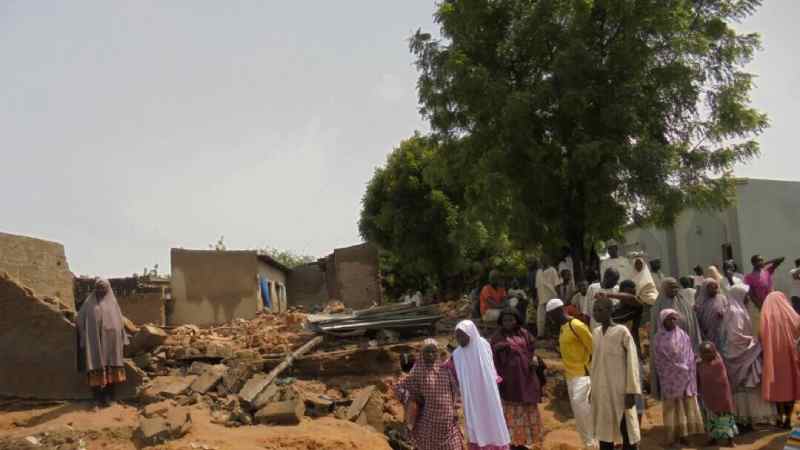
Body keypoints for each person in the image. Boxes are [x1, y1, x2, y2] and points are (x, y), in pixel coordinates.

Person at [719, 284, 777, 432]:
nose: (748, 297)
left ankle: (747, 418)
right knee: (748, 384)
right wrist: (754, 342)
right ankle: (752, 419)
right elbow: (735, 337)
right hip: (741, 353)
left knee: (745, 386)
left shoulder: (735, 309)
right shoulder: (735, 311)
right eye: (746, 294)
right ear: (739, 295)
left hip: (741, 353)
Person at [449, 320, 511, 450]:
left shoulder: (482, 345)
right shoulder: (457, 354)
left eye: (462, 335)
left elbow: (491, 367)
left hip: (487, 392)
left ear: (471, 333)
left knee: (492, 419)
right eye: (457, 336)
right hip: (470, 397)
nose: (459, 339)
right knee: (475, 421)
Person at [590, 297, 642, 450]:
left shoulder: (621, 331)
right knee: (604, 431)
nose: (596, 313)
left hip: (620, 390)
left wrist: (631, 392)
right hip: (601, 389)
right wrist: (592, 388)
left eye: (600, 310)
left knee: (627, 431)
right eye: (594, 310)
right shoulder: (596, 333)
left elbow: (632, 362)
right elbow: (594, 363)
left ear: (610, 310)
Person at [394, 339, 464, 450]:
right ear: (422, 354)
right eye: (427, 352)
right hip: (429, 421)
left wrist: (456, 408)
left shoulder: (445, 369)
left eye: (433, 351)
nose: (431, 354)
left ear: (437, 353)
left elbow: (456, 390)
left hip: (449, 420)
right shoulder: (417, 372)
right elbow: (398, 387)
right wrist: (411, 399)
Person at [491, 309, 544, 450]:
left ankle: (522, 443)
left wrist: (534, 358)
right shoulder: (497, 336)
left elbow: (532, 349)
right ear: (501, 322)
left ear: (517, 320)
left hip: (526, 379)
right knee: (510, 412)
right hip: (508, 382)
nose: (508, 323)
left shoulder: (524, 333)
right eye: (505, 320)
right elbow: (493, 355)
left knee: (526, 410)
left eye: (511, 319)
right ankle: (511, 443)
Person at [547, 299, 595, 449]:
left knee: (584, 414)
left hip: (583, 375)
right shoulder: (562, 328)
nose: (550, 319)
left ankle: (593, 445)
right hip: (571, 377)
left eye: (550, 315)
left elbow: (594, 348)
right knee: (579, 416)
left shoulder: (576, 325)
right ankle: (588, 445)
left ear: (557, 312)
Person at [652, 309, 705, 446]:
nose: (673, 321)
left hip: (686, 376)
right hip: (670, 380)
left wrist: (687, 368)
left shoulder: (683, 335)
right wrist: (676, 369)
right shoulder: (658, 338)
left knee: (685, 406)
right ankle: (673, 437)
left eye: (674, 318)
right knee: (672, 408)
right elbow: (659, 361)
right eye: (669, 319)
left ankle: (685, 435)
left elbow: (689, 354)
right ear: (663, 321)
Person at [76, 278, 129, 408]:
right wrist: (84, 335)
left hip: (111, 342)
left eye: (103, 288)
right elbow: (79, 319)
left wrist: (121, 336)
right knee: (95, 368)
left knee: (111, 368)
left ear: (108, 288)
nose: (101, 290)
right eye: (98, 287)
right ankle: (97, 399)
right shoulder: (89, 303)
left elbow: (119, 322)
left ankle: (110, 398)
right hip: (94, 341)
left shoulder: (113, 303)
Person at [650, 278, 702, 400]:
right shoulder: (657, 308)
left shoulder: (685, 304)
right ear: (663, 289)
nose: (674, 290)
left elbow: (694, 326)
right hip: (668, 359)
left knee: (689, 391)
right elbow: (656, 333)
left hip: (686, 353)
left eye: (676, 287)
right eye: (671, 287)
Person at [760, 291, 800, 429]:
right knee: (791, 388)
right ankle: (789, 420)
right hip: (789, 357)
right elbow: (798, 324)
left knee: (777, 389)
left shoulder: (766, 315)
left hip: (773, 360)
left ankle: (779, 419)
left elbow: (761, 335)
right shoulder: (790, 313)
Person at [697, 342, 738, 447]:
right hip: (708, 398)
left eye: (709, 352)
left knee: (725, 418)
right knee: (711, 419)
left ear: (714, 352)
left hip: (722, 398)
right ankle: (713, 438)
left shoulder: (719, 363)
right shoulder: (700, 365)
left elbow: (722, 381)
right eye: (704, 353)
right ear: (700, 354)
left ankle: (730, 439)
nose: (707, 355)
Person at [695, 278, 728, 351]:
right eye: (711, 288)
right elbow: (697, 318)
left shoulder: (722, 298)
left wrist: (723, 313)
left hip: (721, 329)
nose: (714, 290)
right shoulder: (700, 301)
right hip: (707, 331)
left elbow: (728, 311)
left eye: (716, 288)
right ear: (705, 289)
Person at [535, 258, 561, 338]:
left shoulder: (552, 270)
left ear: (548, 261)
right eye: (541, 260)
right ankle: (540, 335)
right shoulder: (538, 272)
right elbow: (537, 286)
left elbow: (557, 284)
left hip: (551, 296)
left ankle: (556, 334)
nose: (542, 262)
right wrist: (536, 297)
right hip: (541, 297)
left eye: (544, 260)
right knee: (540, 318)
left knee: (554, 317)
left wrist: (559, 298)